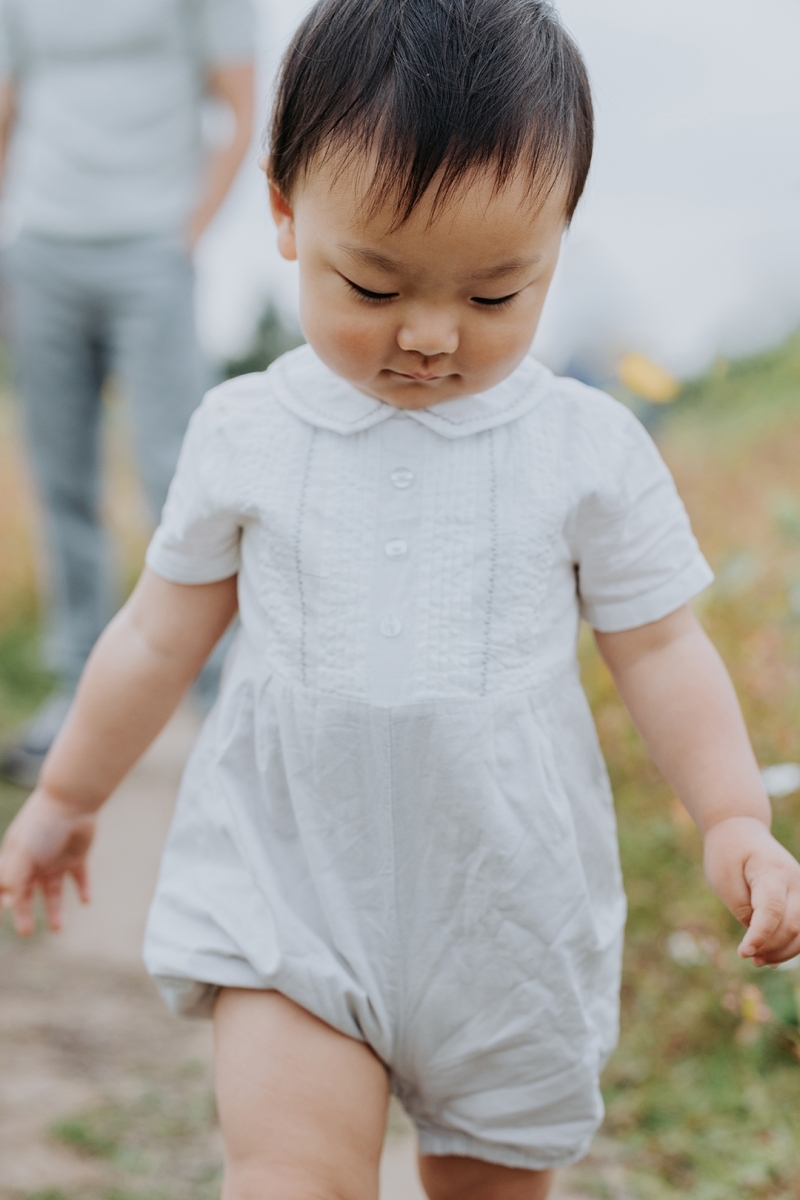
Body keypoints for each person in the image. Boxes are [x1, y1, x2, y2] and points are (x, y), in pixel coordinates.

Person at [2, 0, 800, 1196]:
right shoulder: (248, 432)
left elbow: (658, 644)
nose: (428, 337)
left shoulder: (582, 446)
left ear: (556, 240)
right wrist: (70, 795)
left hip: (507, 914)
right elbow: (159, 634)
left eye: (493, 298)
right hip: (293, 897)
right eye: (371, 286)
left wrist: (731, 815)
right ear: (282, 213)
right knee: (287, 1176)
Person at [0, 0, 255, 786]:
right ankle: (78, 690)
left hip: (151, 249)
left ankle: (222, 698)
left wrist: (185, 235)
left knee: (178, 471)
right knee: (61, 480)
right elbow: (10, 102)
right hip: (42, 248)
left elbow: (242, 105)